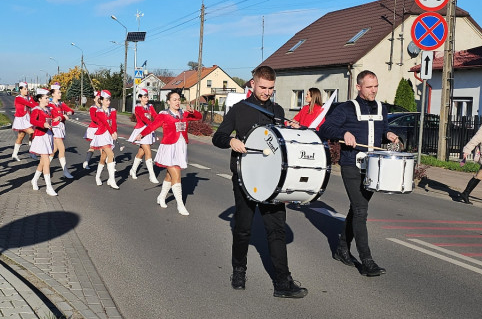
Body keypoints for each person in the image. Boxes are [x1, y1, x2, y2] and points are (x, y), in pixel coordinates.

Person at [212, 66, 308, 298]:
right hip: (245, 177)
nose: (266, 92)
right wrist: (232, 141)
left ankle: (283, 283)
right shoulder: (239, 110)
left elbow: (281, 145)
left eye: (271, 88)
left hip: (272, 180)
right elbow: (218, 137)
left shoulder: (278, 110)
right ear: (252, 85)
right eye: (263, 87)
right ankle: (239, 271)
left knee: (276, 230)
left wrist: (292, 130)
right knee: (243, 228)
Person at [318, 70, 400, 277]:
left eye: (376, 86)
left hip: (374, 167)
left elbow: (381, 129)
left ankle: (341, 248)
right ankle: (367, 261)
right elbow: (325, 128)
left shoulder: (382, 108)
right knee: (361, 210)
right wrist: (342, 133)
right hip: (351, 165)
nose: (373, 90)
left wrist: (388, 134)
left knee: (356, 210)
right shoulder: (346, 108)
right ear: (358, 87)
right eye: (369, 86)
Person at [139, 89, 201, 215]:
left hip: (181, 147)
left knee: (169, 175)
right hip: (169, 147)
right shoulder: (164, 115)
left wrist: (192, 111)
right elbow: (152, 126)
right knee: (176, 175)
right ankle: (180, 205)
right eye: (174, 99)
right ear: (168, 102)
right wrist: (141, 134)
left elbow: (198, 117)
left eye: (179, 99)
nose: (177, 102)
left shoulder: (183, 114)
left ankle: (161, 197)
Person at [29, 88, 60, 196]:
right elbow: (32, 121)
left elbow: (51, 119)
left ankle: (34, 180)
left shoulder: (48, 110)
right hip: (40, 137)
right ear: (40, 98)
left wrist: (57, 119)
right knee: (46, 161)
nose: (48, 99)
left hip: (48, 136)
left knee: (43, 161)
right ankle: (49, 187)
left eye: (48, 97)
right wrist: (43, 124)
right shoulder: (36, 109)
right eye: (46, 98)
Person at [127, 88, 160, 184]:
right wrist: (153, 126)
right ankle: (152, 175)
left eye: (147, 97)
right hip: (141, 130)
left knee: (141, 153)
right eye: (144, 97)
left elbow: (155, 115)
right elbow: (143, 118)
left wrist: (162, 122)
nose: (146, 99)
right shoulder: (138, 107)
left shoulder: (150, 106)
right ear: (140, 98)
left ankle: (133, 170)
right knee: (148, 152)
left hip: (149, 130)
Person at [90, 90, 119, 189]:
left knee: (103, 157)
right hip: (102, 135)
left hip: (110, 135)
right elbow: (106, 123)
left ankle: (97, 176)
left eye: (109, 100)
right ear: (101, 100)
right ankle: (112, 180)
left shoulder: (113, 110)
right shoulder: (99, 111)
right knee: (111, 154)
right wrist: (112, 132)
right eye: (106, 100)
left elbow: (113, 122)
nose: (108, 102)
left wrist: (114, 132)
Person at [48, 83, 75, 180]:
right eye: (58, 92)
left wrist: (69, 112)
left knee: (54, 151)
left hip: (61, 128)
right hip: (54, 129)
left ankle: (44, 168)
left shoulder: (61, 104)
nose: (60, 94)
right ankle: (65, 171)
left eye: (60, 92)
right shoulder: (50, 105)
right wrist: (63, 116)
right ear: (53, 94)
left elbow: (71, 111)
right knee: (62, 149)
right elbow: (55, 117)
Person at [11, 82, 34, 160]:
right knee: (32, 132)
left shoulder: (29, 97)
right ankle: (32, 152)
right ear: (20, 90)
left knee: (21, 136)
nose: (27, 90)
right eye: (25, 89)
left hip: (27, 118)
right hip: (21, 119)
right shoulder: (18, 98)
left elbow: (33, 103)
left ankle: (14, 154)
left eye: (27, 89)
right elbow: (30, 104)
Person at [82, 91, 101, 169]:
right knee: (93, 147)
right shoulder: (93, 108)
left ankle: (108, 163)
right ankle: (86, 162)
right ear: (94, 99)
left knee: (103, 147)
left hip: (101, 129)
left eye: (100, 97)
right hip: (94, 129)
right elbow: (93, 118)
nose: (99, 98)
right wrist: (102, 122)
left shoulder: (103, 108)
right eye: (97, 97)